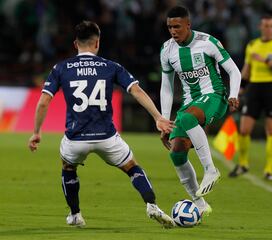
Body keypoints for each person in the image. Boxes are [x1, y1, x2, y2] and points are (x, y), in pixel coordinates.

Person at [28, 21, 175, 228]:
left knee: (68, 167)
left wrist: (36, 132)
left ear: (75, 44)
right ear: (97, 43)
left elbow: (43, 101)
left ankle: (75, 214)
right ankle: (152, 205)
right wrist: (158, 117)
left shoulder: (61, 68)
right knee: (132, 167)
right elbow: (136, 91)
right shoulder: (111, 66)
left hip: (75, 138)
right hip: (107, 138)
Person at [160, 6, 241, 215]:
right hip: (190, 102)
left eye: (177, 26)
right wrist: (164, 120)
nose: (173, 31)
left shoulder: (208, 42)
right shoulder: (167, 50)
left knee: (187, 118)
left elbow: (233, 70)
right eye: (169, 27)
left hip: (214, 96)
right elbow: (167, 87)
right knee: (177, 152)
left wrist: (233, 94)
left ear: (188, 25)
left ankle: (210, 170)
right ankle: (200, 203)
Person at [229, 14, 272, 180]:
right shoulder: (252, 45)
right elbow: (246, 70)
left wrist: (268, 62)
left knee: (271, 130)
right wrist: (239, 89)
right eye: (265, 25)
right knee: (244, 129)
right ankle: (243, 164)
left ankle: (269, 169)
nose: (268, 29)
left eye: (271, 26)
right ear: (260, 27)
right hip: (255, 89)